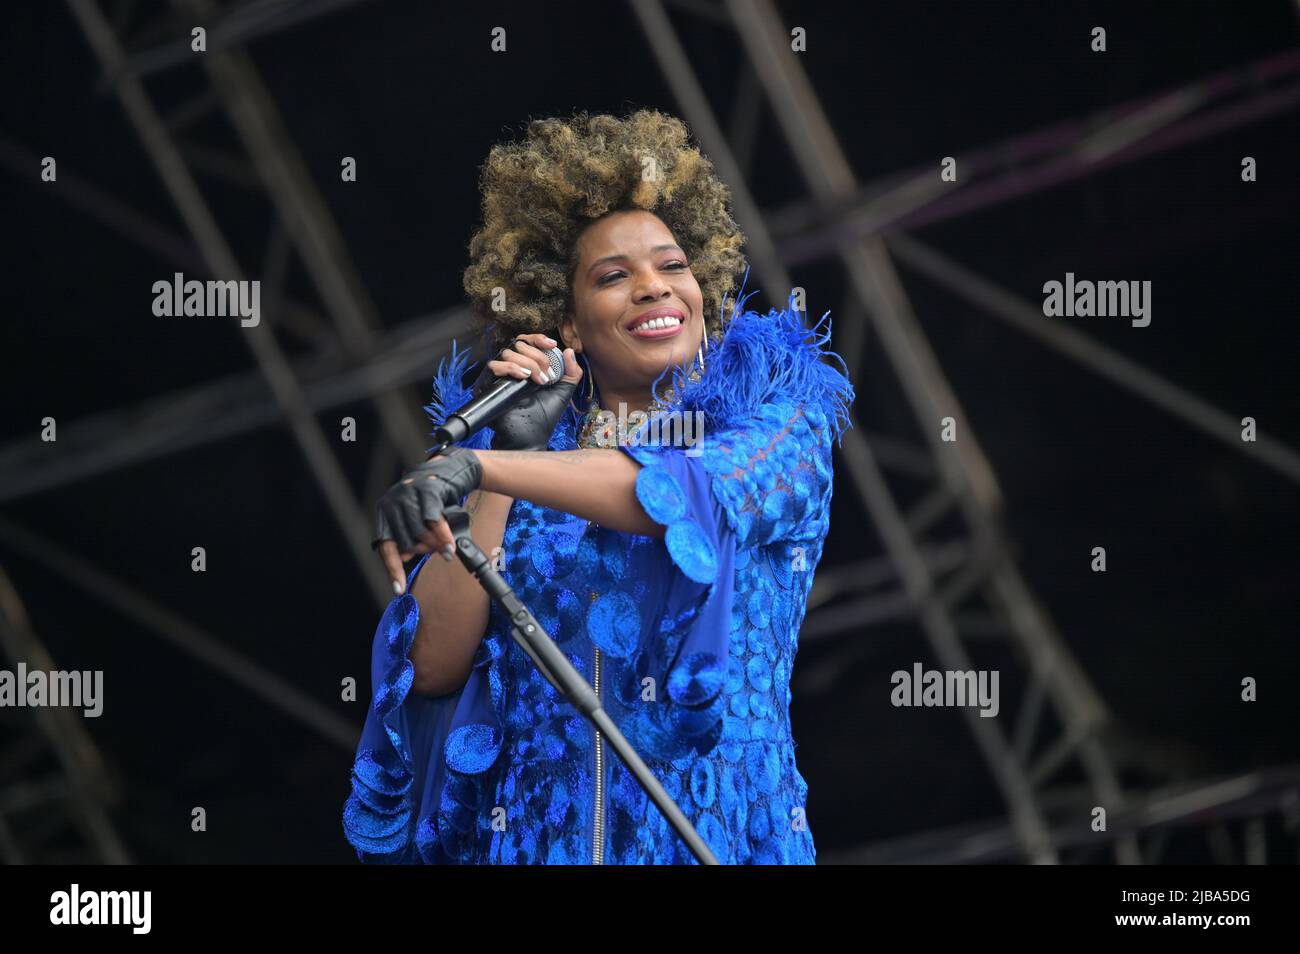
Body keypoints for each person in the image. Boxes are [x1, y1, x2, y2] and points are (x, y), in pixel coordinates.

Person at [342, 108, 854, 864]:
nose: (653, 288)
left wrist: (484, 465)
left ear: (703, 290)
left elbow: (687, 496)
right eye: (614, 277)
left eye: (673, 266)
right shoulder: (517, 469)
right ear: (567, 323)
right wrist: (502, 466)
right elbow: (432, 664)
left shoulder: (781, 420)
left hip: (713, 835)